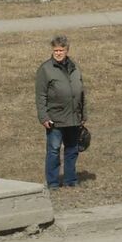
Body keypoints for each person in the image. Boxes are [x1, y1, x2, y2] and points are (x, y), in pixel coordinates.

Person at [35, 35, 86, 189]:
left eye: (61, 50)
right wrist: (43, 117)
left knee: (72, 150)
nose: (58, 53)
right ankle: (53, 182)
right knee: (54, 150)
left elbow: (81, 92)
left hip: (73, 117)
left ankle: (71, 180)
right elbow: (40, 95)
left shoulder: (75, 67)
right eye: (55, 50)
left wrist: (83, 114)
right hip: (55, 119)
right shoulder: (45, 69)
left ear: (67, 50)